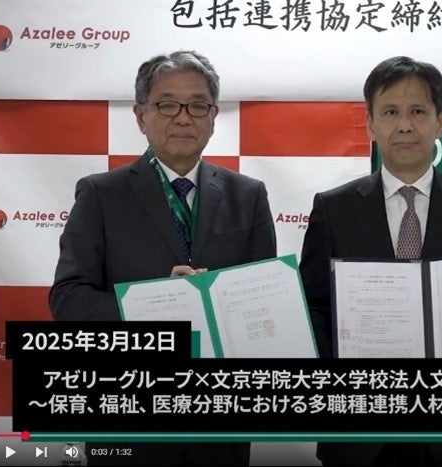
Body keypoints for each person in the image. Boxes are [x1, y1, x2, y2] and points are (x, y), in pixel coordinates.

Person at [49, 50, 277, 466]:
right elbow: (68, 300)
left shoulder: (249, 195)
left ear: (214, 115)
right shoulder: (101, 194)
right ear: (141, 116)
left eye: (197, 105)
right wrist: (153, 306)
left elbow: (264, 301)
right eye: (167, 105)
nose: (183, 118)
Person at [299, 56, 442, 466]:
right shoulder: (334, 208)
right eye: (391, 112)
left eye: (418, 112)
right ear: (370, 124)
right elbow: (314, 309)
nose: (405, 126)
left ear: (440, 122)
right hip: (358, 429)